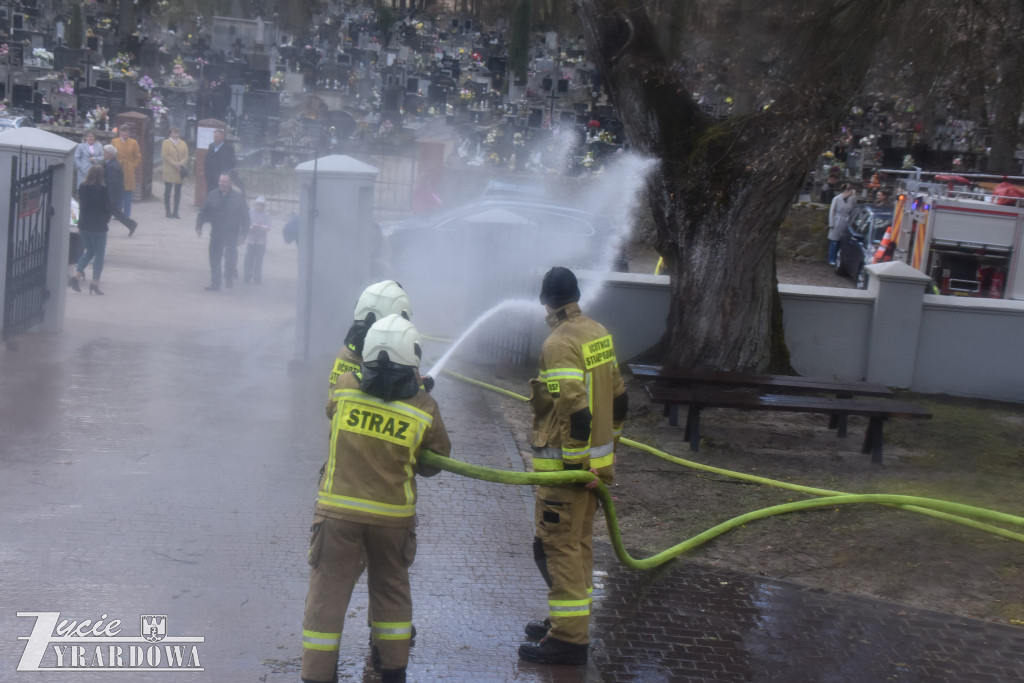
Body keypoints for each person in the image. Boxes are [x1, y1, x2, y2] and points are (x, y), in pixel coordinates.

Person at [301, 314, 451, 683]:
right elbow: (434, 463)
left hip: (337, 514)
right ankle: (393, 670)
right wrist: (418, 391)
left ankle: (316, 674)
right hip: (392, 519)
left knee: (327, 594)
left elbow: (332, 409)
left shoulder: (346, 386)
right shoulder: (424, 406)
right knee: (391, 590)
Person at [518, 266, 627, 666]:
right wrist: (606, 454)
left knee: (556, 547)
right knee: (577, 546)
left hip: (569, 474)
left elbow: (576, 411)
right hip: (592, 471)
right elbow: (620, 399)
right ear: (576, 296)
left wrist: (579, 467)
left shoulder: (558, 343)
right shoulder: (597, 332)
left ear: (544, 301)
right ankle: (568, 621)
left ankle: (568, 638)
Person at [196, 172, 249, 291]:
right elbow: (204, 211)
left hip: (232, 232)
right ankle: (215, 283)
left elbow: (245, 216)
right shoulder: (213, 195)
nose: (221, 183)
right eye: (220, 181)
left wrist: (244, 233)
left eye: (224, 182)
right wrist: (199, 226)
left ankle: (229, 275)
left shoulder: (238, 197)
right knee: (214, 258)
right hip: (216, 231)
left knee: (230, 258)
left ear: (230, 183)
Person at [69, 166, 112, 296]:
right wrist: (106, 219)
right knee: (99, 255)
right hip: (98, 225)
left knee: (89, 251)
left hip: (84, 225)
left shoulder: (82, 187)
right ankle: (95, 283)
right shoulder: (103, 189)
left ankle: (75, 277)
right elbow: (107, 207)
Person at [102, 145, 138, 236]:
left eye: (105, 152)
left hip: (112, 194)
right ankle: (131, 224)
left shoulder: (112, 166)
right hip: (113, 193)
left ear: (110, 154)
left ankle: (131, 224)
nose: (103, 154)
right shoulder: (111, 163)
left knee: (113, 211)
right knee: (111, 211)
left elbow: (112, 182)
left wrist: (110, 196)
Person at [111, 126, 142, 219]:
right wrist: (113, 165)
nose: (125, 133)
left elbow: (138, 157)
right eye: (123, 131)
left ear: (129, 133)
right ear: (120, 132)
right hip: (117, 169)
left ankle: (126, 214)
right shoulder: (114, 141)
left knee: (127, 192)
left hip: (128, 170)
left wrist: (132, 166)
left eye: (127, 131)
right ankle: (118, 213)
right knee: (118, 193)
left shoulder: (133, 143)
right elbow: (111, 154)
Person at [161, 125, 189, 219]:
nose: (175, 135)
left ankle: (175, 212)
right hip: (169, 170)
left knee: (178, 191)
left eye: (177, 133)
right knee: (168, 190)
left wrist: (180, 163)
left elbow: (186, 155)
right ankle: (168, 211)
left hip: (179, 170)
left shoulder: (183, 143)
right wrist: (174, 164)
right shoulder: (166, 143)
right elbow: (165, 155)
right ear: (170, 133)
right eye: (174, 133)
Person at [242, 196, 270, 284]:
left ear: (263, 206)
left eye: (261, 205)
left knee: (259, 259)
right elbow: (246, 224)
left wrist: (260, 227)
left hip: (261, 241)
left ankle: (257, 277)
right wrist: (252, 227)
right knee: (248, 258)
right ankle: (247, 276)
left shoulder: (266, 215)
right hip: (251, 239)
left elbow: (268, 227)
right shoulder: (250, 212)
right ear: (254, 205)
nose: (259, 207)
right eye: (257, 205)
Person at [827, 184, 857, 265]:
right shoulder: (836, 199)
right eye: (851, 192)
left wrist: (853, 198)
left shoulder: (851, 200)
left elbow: (853, 209)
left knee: (842, 242)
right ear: (847, 191)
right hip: (837, 221)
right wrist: (831, 223)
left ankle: (839, 259)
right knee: (834, 241)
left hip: (846, 221)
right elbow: (832, 211)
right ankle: (831, 259)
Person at [204, 128, 236, 193]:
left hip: (222, 178)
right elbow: (207, 161)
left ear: (222, 137)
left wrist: (225, 174)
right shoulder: (211, 146)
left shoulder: (229, 149)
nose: (216, 139)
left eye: (217, 137)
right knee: (211, 194)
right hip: (211, 178)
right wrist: (207, 173)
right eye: (214, 137)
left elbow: (232, 163)